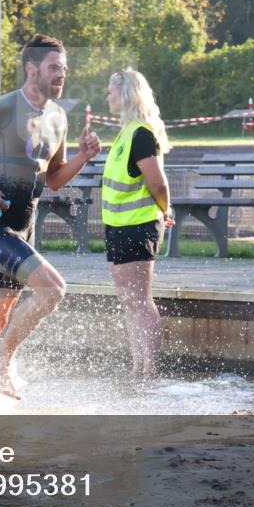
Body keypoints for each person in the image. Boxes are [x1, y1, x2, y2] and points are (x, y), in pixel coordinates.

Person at [0, 34, 101, 399]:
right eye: (54, 67)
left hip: (23, 230)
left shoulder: (58, 117)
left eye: (64, 68)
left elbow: (53, 178)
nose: (61, 74)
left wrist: (82, 158)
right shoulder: (2, 107)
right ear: (32, 68)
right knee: (53, 289)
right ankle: (2, 363)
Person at [101, 69, 174, 376]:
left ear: (127, 94)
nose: (107, 97)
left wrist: (166, 210)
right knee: (129, 301)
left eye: (111, 91)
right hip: (118, 225)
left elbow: (157, 182)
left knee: (140, 301)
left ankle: (150, 370)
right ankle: (137, 367)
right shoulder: (125, 132)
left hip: (138, 225)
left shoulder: (142, 133)